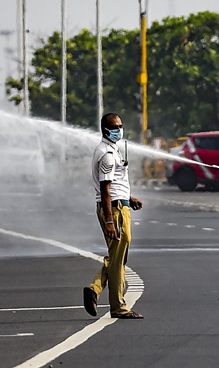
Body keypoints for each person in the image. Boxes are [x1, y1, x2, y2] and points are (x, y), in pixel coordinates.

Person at [83, 112, 144, 319]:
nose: (119, 130)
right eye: (114, 127)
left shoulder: (112, 149)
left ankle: (95, 290)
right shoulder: (107, 154)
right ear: (105, 129)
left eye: (120, 125)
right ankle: (118, 306)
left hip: (120, 204)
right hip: (114, 210)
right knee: (118, 259)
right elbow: (106, 189)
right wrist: (110, 220)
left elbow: (116, 184)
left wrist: (129, 197)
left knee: (118, 256)